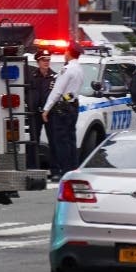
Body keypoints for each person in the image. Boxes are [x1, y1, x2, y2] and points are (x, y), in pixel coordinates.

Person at [41, 42, 86, 180]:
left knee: (61, 141)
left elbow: (57, 91)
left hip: (62, 108)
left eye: (66, 51)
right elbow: (73, 92)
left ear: (69, 53)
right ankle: (72, 168)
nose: (64, 54)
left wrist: (46, 109)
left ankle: (64, 170)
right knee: (71, 139)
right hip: (73, 106)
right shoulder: (79, 69)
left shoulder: (66, 70)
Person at [25, 49, 57, 173]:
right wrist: (29, 103)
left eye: (48, 60)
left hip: (50, 113)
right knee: (34, 141)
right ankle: (33, 168)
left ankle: (55, 169)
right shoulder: (31, 76)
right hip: (35, 114)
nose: (46, 62)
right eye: (44, 60)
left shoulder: (54, 77)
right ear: (38, 61)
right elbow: (25, 92)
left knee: (53, 141)